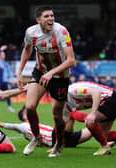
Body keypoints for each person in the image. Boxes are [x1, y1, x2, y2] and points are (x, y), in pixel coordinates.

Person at [16, 5, 76, 157]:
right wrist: (19, 72)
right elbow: (27, 50)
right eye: (47, 16)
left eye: (52, 16)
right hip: (40, 72)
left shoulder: (61, 32)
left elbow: (71, 60)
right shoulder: (31, 32)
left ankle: (59, 143)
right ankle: (35, 137)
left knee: (57, 115)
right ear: (38, 20)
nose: (51, 19)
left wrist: (51, 73)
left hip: (60, 76)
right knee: (29, 107)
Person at [0, 109, 116, 149]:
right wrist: (2, 124)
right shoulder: (25, 126)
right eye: (27, 112)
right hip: (56, 137)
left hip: (63, 141)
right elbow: (15, 126)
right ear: (24, 116)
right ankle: (92, 118)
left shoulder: (30, 132)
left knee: (93, 131)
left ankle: (108, 140)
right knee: (71, 115)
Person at [63, 81, 116, 155]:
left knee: (90, 121)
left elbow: (96, 93)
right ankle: (105, 146)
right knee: (103, 136)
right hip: (109, 101)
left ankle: (105, 147)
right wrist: (57, 146)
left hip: (111, 98)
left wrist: (93, 113)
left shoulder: (73, 91)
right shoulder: (67, 103)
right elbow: (64, 120)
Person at [0, 45, 16, 112]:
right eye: (2, 54)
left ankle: (9, 107)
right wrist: (0, 50)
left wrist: (12, 79)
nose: (3, 56)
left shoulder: (6, 64)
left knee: (7, 94)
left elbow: (9, 73)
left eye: (4, 54)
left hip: (5, 81)